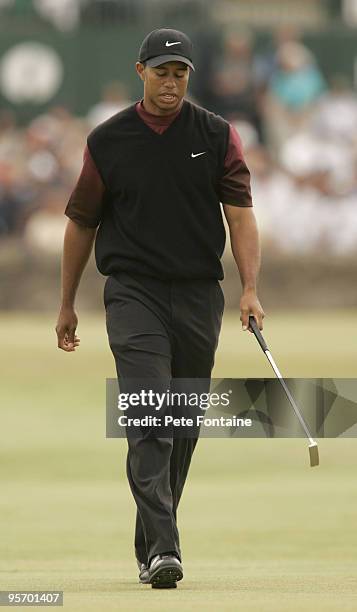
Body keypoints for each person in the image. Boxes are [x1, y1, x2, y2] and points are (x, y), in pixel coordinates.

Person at [55, 28, 264, 589]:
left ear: (189, 77)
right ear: (140, 71)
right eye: (161, 71)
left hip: (199, 293)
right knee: (152, 416)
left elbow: (240, 215)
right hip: (132, 292)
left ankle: (150, 544)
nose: (170, 82)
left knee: (182, 424)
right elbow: (81, 222)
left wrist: (249, 288)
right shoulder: (108, 140)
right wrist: (67, 302)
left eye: (180, 73)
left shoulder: (217, 135)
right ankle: (167, 549)